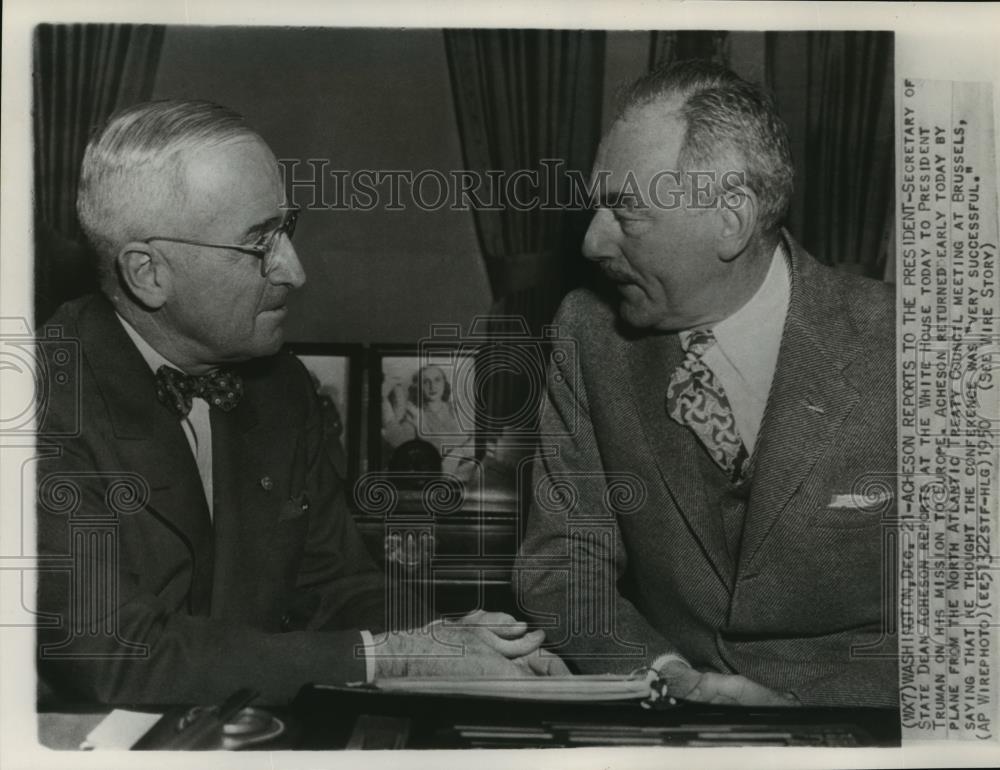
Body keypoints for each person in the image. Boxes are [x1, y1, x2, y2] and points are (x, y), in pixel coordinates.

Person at [35, 99, 566, 707]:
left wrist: (441, 644)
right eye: (260, 243)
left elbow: (334, 585)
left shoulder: (279, 387)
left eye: (287, 229)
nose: (295, 269)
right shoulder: (39, 401)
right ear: (148, 273)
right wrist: (389, 657)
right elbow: (118, 657)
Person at [516, 61, 896, 708]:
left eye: (624, 211)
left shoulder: (910, 347)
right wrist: (664, 675)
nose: (590, 241)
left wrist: (810, 715)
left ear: (730, 220)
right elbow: (565, 565)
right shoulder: (588, 333)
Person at [382, 365, 477, 482]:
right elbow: (399, 442)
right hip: (436, 476)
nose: (432, 386)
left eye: (437, 380)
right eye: (426, 382)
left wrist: (457, 452)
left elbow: (474, 441)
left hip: (467, 469)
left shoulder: (457, 408)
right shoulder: (416, 413)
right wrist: (383, 399)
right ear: (418, 387)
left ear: (444, 383)